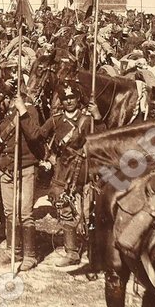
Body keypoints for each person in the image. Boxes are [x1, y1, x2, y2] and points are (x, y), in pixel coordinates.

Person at [0, 73, 50, 270]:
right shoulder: (1, 111)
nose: (9, 92)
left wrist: (23, 111)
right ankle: (13, 251)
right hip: (6, 167)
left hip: (25, 166)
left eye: (13, 88)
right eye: (6, 88)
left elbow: (35, 136)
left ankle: (30, 255)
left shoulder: (31, 110)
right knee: (10, 212)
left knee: (25, 213)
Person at [38, 80, 94, 269]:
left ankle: (90, 247)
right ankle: (71, 252)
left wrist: (98, 117)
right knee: (63, 206)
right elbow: (39, 136)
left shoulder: (88, 119)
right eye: (65, 98)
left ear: (78, 99)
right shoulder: (56, 119)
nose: (69, 101)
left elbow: (100, 137)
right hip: (63, 168)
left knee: (86, 209)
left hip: (83, 168)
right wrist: (49, 155)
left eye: (72, 97)